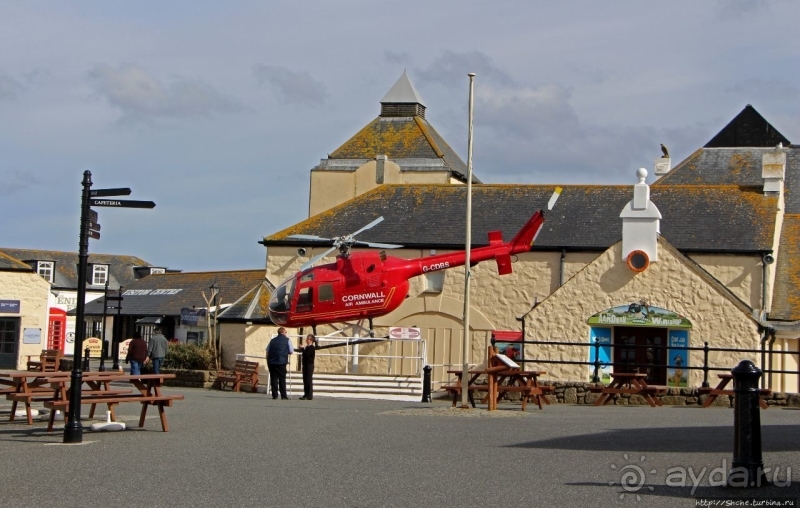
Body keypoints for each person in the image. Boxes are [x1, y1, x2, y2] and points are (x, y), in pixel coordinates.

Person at [266, 327, 294, 400]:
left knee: (274, 379)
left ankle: (274, 395)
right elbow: (291, 350)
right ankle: (283, 395)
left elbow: (267, 351)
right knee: (282, 379)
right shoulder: (287, 340)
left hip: (272, 362)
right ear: (283, 332)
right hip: (282, 362)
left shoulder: (272, 341)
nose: (286, 333)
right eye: (286, 332)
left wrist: (268, 361)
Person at [298, 334, 316, 400]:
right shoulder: (307, 347)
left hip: (309, 365)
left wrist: (303, 349)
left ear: (311, 340)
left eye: (308, 339)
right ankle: (306, 394)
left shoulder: (311, 348)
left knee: (308, 380)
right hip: (305, 365)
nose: (306, 340)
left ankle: (309, 395)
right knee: (305, 380)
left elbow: (307, 354)